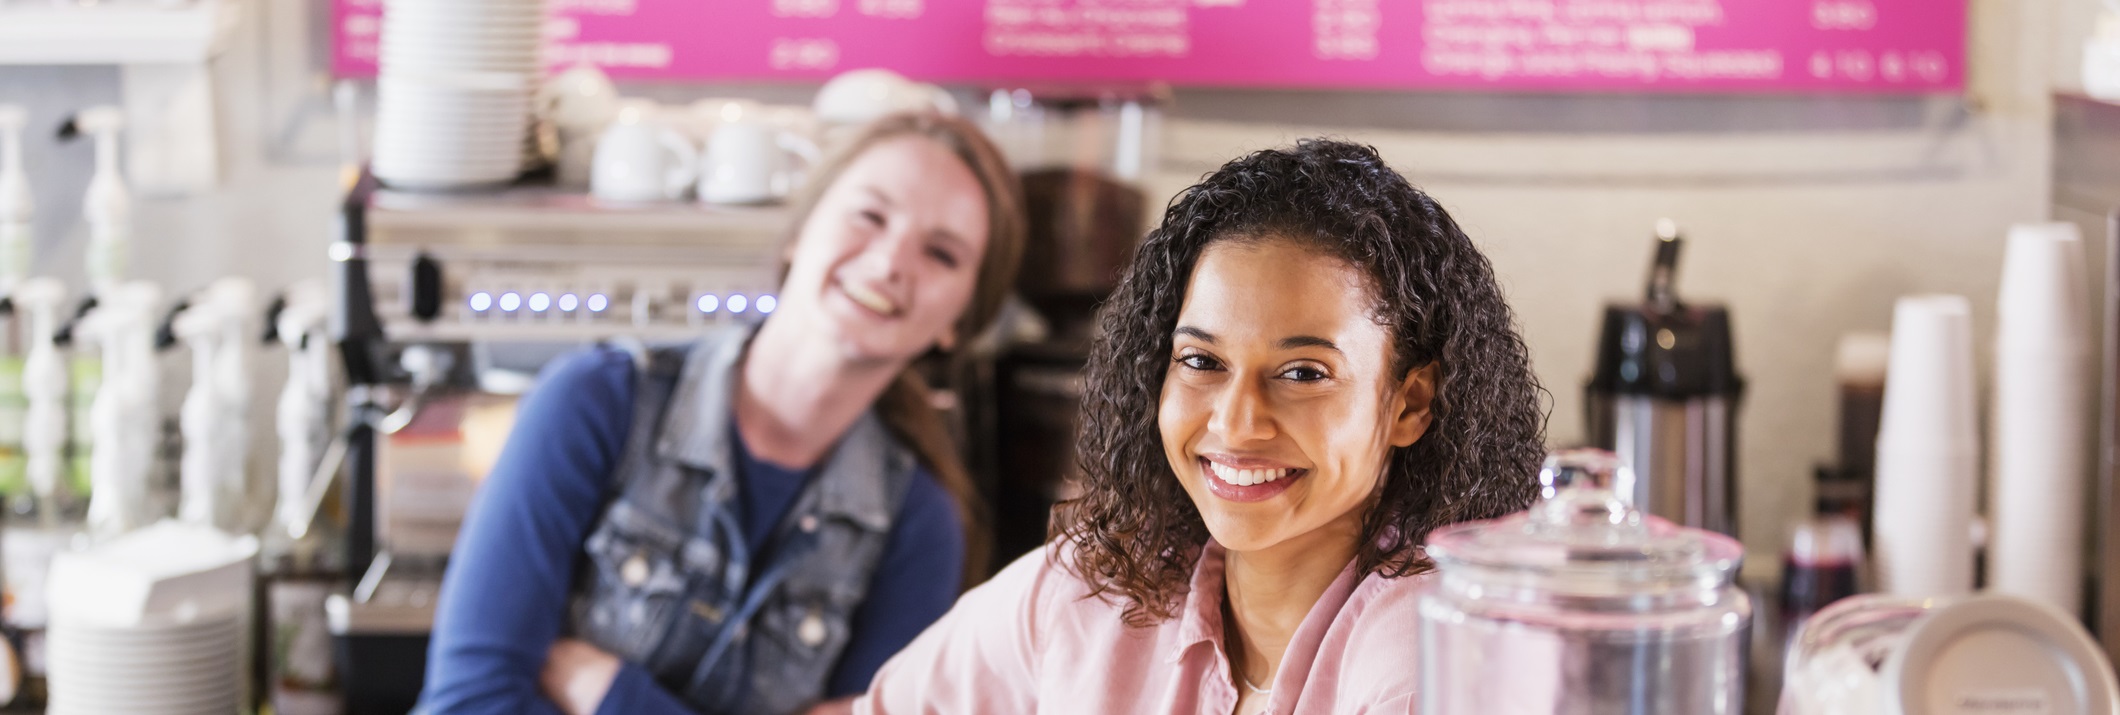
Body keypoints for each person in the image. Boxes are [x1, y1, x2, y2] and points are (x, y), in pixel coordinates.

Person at [853, 139, 1547, 714]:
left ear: (1411, 403)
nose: (1236, 421)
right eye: (1201, 360)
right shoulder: (1091, 591)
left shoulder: (1439, 656)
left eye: (1303, 372)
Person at [420, 112, 1026, 715]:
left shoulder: (919, 526)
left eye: (941, 253)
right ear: (799, 230)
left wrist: (612, 696)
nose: (892, 261)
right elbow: (469, 700)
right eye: (869, 216)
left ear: (959, 322)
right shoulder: (595, 401)